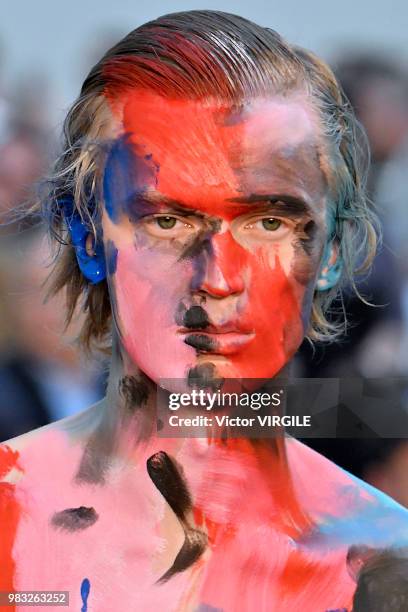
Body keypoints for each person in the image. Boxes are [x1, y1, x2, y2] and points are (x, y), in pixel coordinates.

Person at [0, 11, 407, 612]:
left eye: (270, 223)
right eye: (167, 221)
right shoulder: (11, 523)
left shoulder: (385, 564)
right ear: (90, 238)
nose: (217, 278)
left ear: (333, 251)